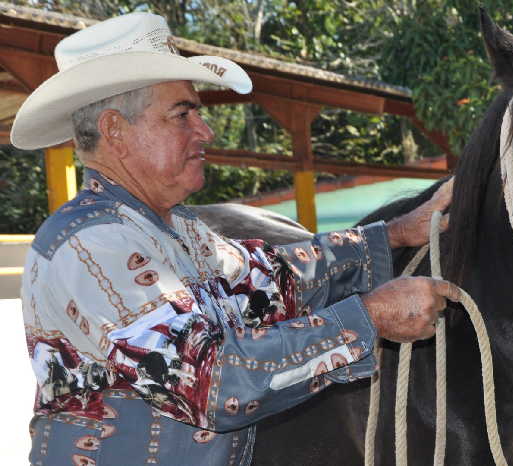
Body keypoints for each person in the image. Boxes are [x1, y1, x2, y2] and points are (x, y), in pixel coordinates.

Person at [11, 12, 458, 466]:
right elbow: (209, 383)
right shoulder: (92, 245)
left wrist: (398, 232)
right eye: (182, 114)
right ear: (114, 130)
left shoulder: (171, 228)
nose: (205, 132)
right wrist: (370, 318)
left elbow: (272, 278)